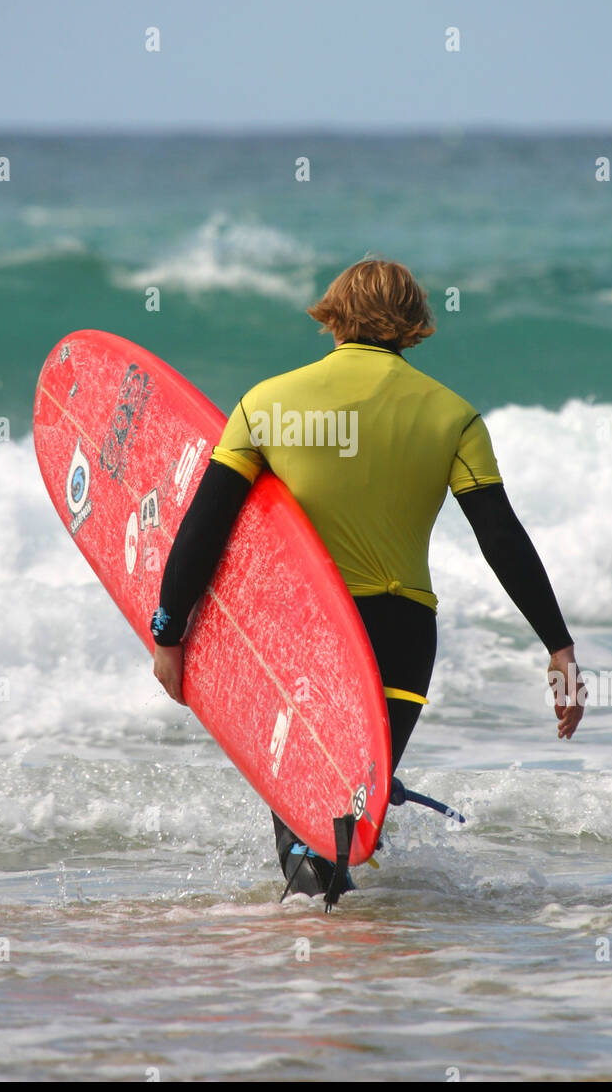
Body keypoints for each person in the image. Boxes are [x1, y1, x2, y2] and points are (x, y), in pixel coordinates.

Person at [151, 259, 584, 899]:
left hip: (304, 630)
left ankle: (325, 968)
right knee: (341, 815)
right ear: (413, 327)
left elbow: (205, 527)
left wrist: (169, 628)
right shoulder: (452, 415)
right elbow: (500, 538)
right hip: (402, 638)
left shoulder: (264, 405)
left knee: (308, 823)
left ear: (332, 317)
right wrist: (558, 645)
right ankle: (357, 965)